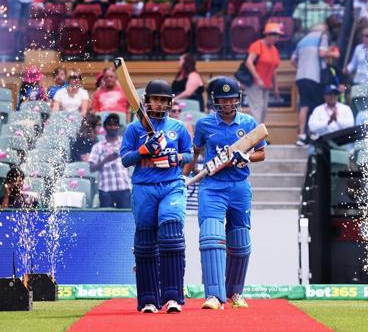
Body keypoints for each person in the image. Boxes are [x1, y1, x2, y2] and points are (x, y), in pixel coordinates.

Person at [187, 76, 266, 310]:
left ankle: (235, 294)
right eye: (222, 100)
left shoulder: (249, 123)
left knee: (240, 241)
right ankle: (214, 296)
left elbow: (262, 154)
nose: (227, 104)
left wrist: (247, 157)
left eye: (231, 99)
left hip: (239, 187)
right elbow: (195, 154)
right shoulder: (204, 125)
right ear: (215, 101)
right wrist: (182, 175)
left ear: (237, 99)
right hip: (212, 187)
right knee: (211, 237)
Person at [120, 80, 193, 313]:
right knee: (145, 243)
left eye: (164, 100)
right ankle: (148, 300)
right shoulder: (134, 129)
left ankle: (173, 297)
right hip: (144, 187)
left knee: (171, 234)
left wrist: (175, 159)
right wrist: (143, 150)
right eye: (156, 99)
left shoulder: (178, 128)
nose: (160, 104)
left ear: (170, 102)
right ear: (147, 101)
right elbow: (125, 160)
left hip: (171, 184)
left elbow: (189, 154)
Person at [291, 24, 340, 146]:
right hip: (314, 77)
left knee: (304, 105)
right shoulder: (322, 36)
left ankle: (301, 136)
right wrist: (334, 54)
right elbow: (322, 53)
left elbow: (293, 60)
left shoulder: (302, 40)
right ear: (324, 30)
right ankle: (315, 135)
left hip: (301, 76)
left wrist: (302, 68)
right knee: (317, 105)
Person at [90, 113, 132, 208]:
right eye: (110, 124)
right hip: (105, 188)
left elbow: (133, 161)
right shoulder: (98, 146)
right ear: (105, 127)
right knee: (106, 219)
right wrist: (105, 160)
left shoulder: (125, 144)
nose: (113, 127)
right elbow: (91, 168)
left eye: (115, 124)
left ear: (118, 127)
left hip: (124, 187)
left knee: (124, 217)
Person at [245, 22, 282, 124]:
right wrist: (258, 78)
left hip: (266, 85)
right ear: (267, 35)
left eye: (277, 35)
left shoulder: (274, 50)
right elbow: (249, 62)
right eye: (274, 35)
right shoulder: (258, 45)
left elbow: (273, 70)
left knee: (264, 110)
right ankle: (256, 137)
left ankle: (259, 136)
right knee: (257, 108)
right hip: (254, 83)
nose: (276, 38)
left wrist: (276, 88)